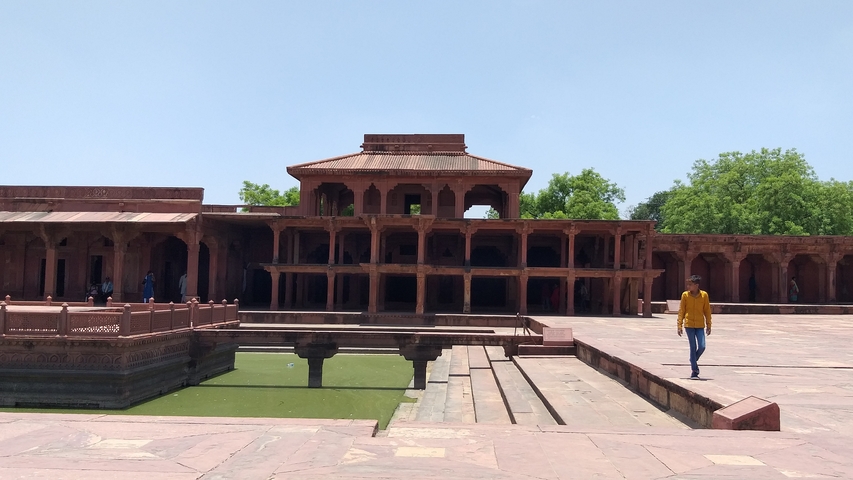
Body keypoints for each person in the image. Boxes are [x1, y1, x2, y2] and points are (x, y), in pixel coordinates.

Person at [677, 274, 712, 379]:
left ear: (696, 285)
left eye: (690, 285)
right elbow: (682, 311)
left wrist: (709, 324)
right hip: (689, 324)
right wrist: (679, 325)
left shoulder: (704, 295)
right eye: (688, 284)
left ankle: (693, 359)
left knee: (702, 346)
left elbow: (707, 311)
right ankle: (694, 370)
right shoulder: (685, 295)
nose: (688, 287)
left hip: (700, 324)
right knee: (693, 347)